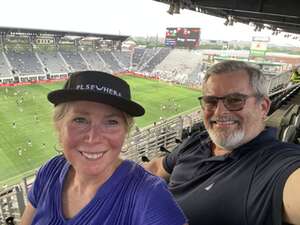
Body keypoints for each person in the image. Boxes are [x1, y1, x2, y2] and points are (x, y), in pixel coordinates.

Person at [20, 71, 187, 225]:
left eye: (111, 122)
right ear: (59, 126)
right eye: (80, 120)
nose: (93, 138)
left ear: (125, 132)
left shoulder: (150, 196)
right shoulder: (50, 171)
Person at [144, 60, 300, 225]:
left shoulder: (275, 163)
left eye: (234, 100)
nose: (219, 112)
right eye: (211, 101)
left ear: (263, 107)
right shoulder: (197, 141)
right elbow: (157, 168)